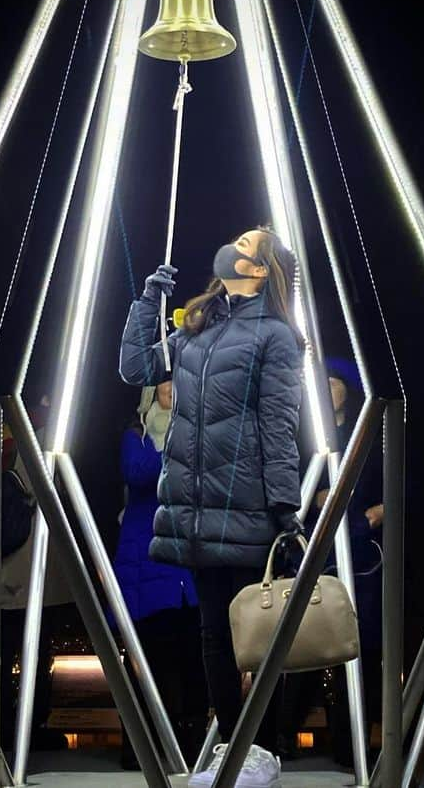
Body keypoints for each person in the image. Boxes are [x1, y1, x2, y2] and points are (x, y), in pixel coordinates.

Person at [120, 226, 304, 788]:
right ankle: (233, 746)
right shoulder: (198, 329)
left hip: (246, 502)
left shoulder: (274, 335)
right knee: (214, 634)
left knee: (258, 635)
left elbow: (279, 422)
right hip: (196, 506)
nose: (233, 246)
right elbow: (136, 370)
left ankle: (263, 751)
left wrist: (283, 505)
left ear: (261, 269)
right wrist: (147, 304)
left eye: (247, 244)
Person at [278, 357, 384, 767]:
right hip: (316, 551)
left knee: (359, 648)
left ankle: (352, 741)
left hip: (362, 553)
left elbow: (394, 486)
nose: (327, 389)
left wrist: (373, 515)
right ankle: (284, 735)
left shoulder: (370, 434)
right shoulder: (303, 438)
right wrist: (313, 500)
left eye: (334, 382)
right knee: (305, 646)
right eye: (320, 384)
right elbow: (292, 491)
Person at [113, 379, 206, 768]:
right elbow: (137, 472)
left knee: (193, 659)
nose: (171, 387)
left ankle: (191, 746)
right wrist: (180, 447)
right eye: (164, 382)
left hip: (188, 565)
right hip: (145, 562)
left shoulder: (202, 432)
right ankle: (140, 745)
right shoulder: (135, 436)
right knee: (147, 658)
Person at [0, 395, 73, 753]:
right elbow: (46, 488)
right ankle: (29, 727)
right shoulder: (39, 438)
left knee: (0, 655)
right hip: (30, 566)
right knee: (35, 650)